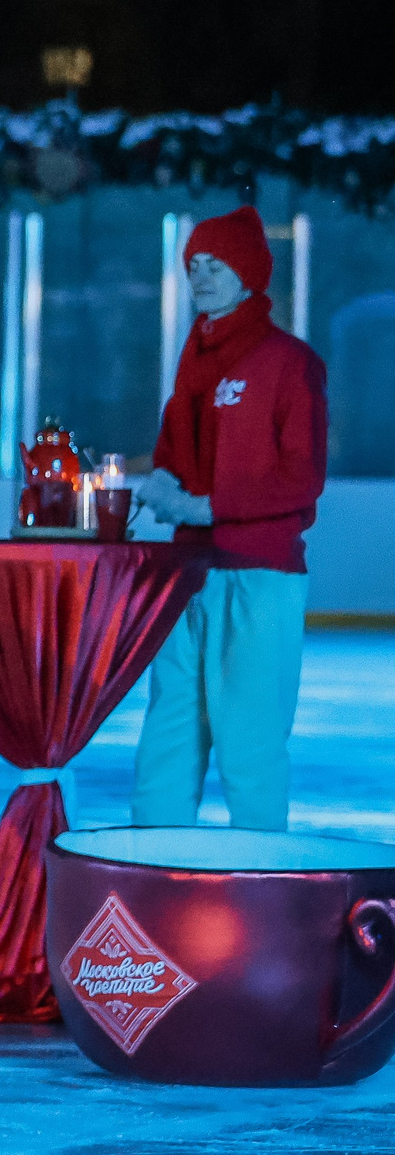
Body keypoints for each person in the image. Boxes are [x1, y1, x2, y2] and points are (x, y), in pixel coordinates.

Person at [130, 206, 329, 832]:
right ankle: (153, 872)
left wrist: (211, 507)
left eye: (216, 264)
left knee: (250, 741)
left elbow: (303, 476)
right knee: (169, 737)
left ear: (249, 272)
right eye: (193, 266)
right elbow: (173, 450)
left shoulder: (289, 363)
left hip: (258, 575)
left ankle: (263, 887)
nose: (202, 277)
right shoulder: (195, 360)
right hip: (188, 574)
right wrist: (162, 482)